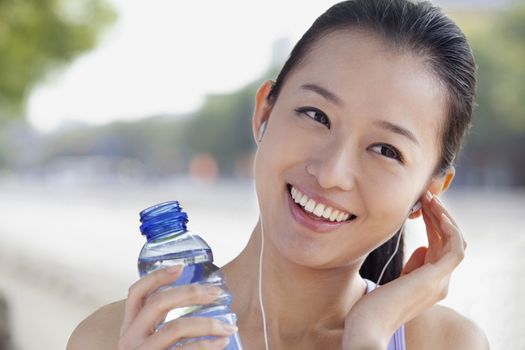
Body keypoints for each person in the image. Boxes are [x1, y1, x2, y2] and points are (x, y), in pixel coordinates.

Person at [67, 0, 490, 349]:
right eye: (316, 115)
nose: (331, 173)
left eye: (386, 150)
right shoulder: (111, 339)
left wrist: (368, 336)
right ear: (264, 113)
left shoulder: (446, 343)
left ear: (428, 193)